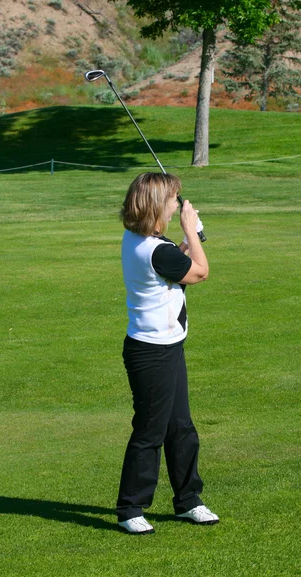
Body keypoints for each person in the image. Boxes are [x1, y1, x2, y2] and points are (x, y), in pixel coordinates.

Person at [116, 172, 219, 535]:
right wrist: (193, 231)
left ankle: (188, 500)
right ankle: (130, 508)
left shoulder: (142, 239)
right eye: (173, 200)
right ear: (158, 205)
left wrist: (189, 239)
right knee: (150, 431)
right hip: (151, 352)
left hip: (167, 347)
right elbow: (201, 273)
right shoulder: (155, 249)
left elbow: (176, 262)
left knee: (181, 428)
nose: (177, 205)